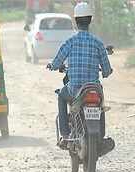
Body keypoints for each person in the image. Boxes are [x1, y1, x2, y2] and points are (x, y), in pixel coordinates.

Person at [48, 2, 113, 146]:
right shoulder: (98, 43)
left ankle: (65, 135)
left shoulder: (70, 42)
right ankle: (100, 138)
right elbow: (107, 70)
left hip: (74, 90)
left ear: (76, 21)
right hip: (93, 89)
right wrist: (107, 72)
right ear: (90, 20)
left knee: (61, 95)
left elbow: (57, 61)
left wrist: (52, 66)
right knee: (100, 105)